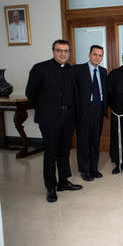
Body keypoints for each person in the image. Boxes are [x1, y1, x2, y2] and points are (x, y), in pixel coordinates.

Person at [25, 39, 82, 203]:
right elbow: (31, 94)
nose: (63, 53)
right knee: (50, 153)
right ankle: (51, 186)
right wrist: (46, 110)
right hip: (49, 119)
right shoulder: (40, 68)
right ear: (53, 51)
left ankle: (63, 182)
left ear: (69, 53)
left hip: (68, 117)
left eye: (66, 51)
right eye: (59, 50)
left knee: (65, 151)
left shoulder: (72, 70)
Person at [73, 45, 108, 182]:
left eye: (100, 55)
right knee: (83, 141)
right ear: (89, 54)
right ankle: (84, 170)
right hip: (84, 110)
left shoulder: (103, 71)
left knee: (95, 141)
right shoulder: (78, 70)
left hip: (98, 109)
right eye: (95, 54)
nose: (97, 57)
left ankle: (94, 168)